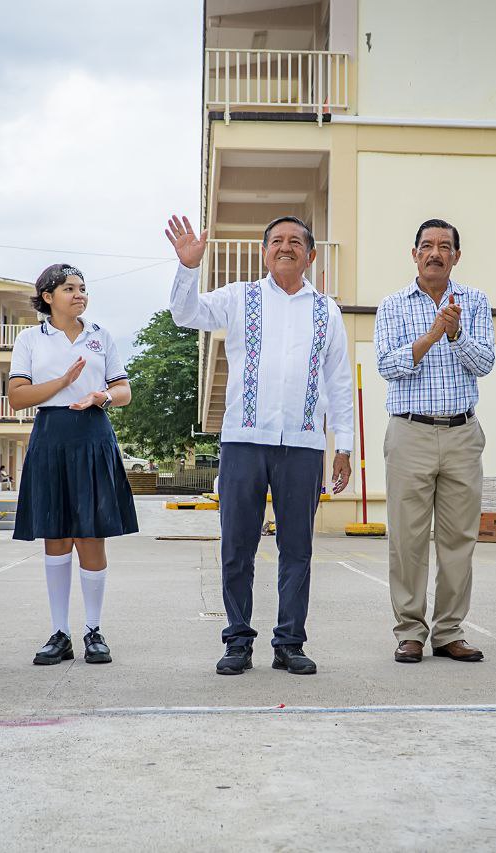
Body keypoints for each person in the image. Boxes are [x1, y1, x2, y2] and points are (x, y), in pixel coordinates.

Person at [166, 214, 353, 676]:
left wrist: (343, 446)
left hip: (304, 445)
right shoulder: (238, 297)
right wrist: (189, 267)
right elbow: (184, 314)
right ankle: (238, 641)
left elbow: (340, 381)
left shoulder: (326, 309)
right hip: (244, 442)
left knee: (297, 550)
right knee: (237, 546)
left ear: (310, 255)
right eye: (276, 241)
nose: (285, 247)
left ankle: (290, 642)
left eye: (295, 241)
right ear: (264, 252)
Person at [374, 219, 495, 664]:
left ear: (457, 256)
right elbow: (387, 365)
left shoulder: (475, 302)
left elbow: (485, 363)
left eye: (445, 247)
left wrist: (456, 333)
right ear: (414, 253)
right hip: (409, 431)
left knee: (458, 538)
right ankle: (409, 630)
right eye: (427, 246)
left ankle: (449, 632)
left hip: (463, 432)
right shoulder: (392, 305)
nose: (435, 253)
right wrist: (431, 335)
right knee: (406, 538)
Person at [8, 264, 137, 666]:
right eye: (69, 288)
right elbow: (17, 396)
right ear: (47, 296)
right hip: (51, 436)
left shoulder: (101, 336)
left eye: (83, 288)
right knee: (56, 536)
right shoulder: (30, 338)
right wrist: (63, 383)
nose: (79, 294)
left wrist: (104, 398)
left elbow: (124, 389)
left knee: (90, 535)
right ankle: (59, 632)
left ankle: (93, 631)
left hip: (93, 434)